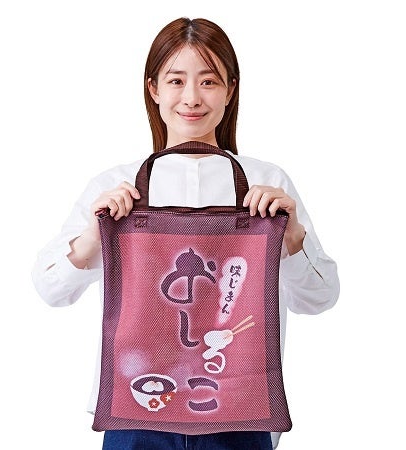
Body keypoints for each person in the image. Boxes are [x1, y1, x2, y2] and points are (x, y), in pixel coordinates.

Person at [32, 17, 339, 450]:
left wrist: (291, 238)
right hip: (138, 404)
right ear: (153, 89)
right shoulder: (119, 186)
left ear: (230, 90)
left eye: (209, 81)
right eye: (176, 81)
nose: (192, 97)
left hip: (239, 409)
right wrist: (94, 235)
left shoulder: (266, 183)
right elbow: (50, 289)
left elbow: (319, 299)